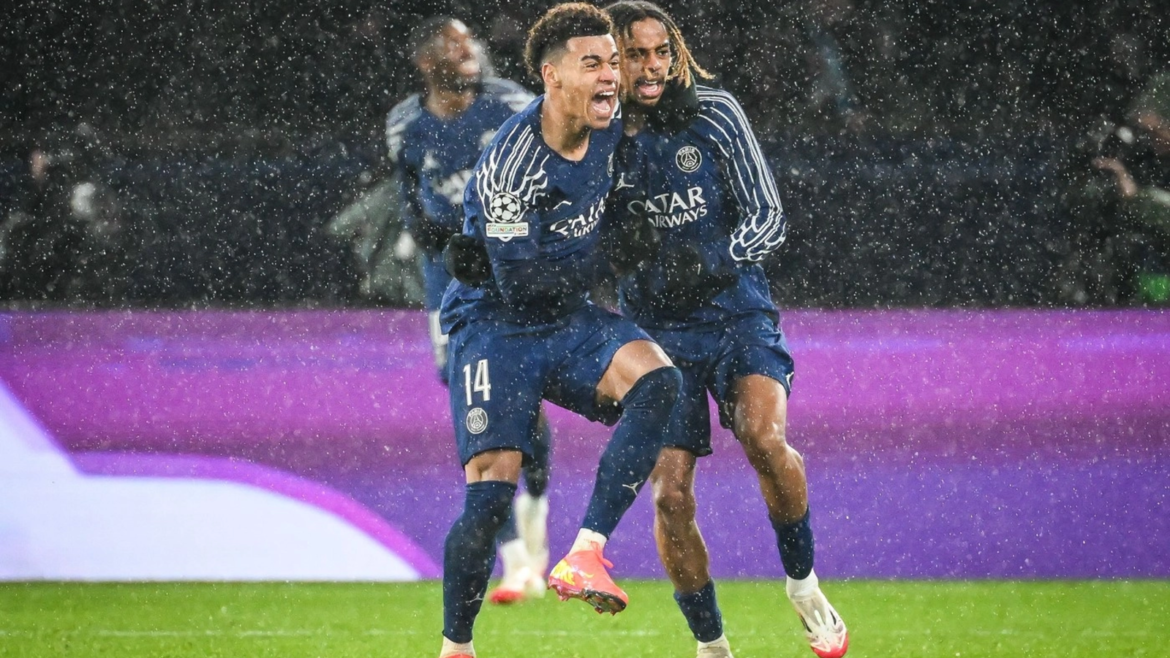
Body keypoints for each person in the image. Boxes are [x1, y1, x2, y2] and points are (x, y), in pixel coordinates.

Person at [601, 3, 848, 657]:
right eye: (636, 54)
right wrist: (606, 250)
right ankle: (711, 646)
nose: (652, 66)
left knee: (764, 439)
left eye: (661, 51)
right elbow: (574, 234)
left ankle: (804, 585)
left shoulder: (714, 112)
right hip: (654, 334)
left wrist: (715, 257)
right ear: (609, 61)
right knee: (670, 497)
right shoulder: (593, 136)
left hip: (736, 313)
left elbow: (768, 215)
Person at [435, 4, 683, 657]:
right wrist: (610, 255)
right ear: (552, 76)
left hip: (565, 313)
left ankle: (585, 553)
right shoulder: (512, 164)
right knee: (489, 501)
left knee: (659, 382)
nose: (612, 76)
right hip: (496, 325)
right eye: (592, 63)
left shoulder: (613, 121)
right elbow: (522, 288)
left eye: (613, 62)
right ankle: (456, 647)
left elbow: (668, 98)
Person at [386, 17, 551, 603]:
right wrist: (431, 238)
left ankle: (536, 507)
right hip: (450, 288)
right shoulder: (404, 123)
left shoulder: (513, 105)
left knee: (526, 407)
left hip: (513, 276)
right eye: (451, 43)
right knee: (475, 406)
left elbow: (553, 174)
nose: (467, 48)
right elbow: (407, 194)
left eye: (468, 39)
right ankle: (515, 559)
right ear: (425, 60)